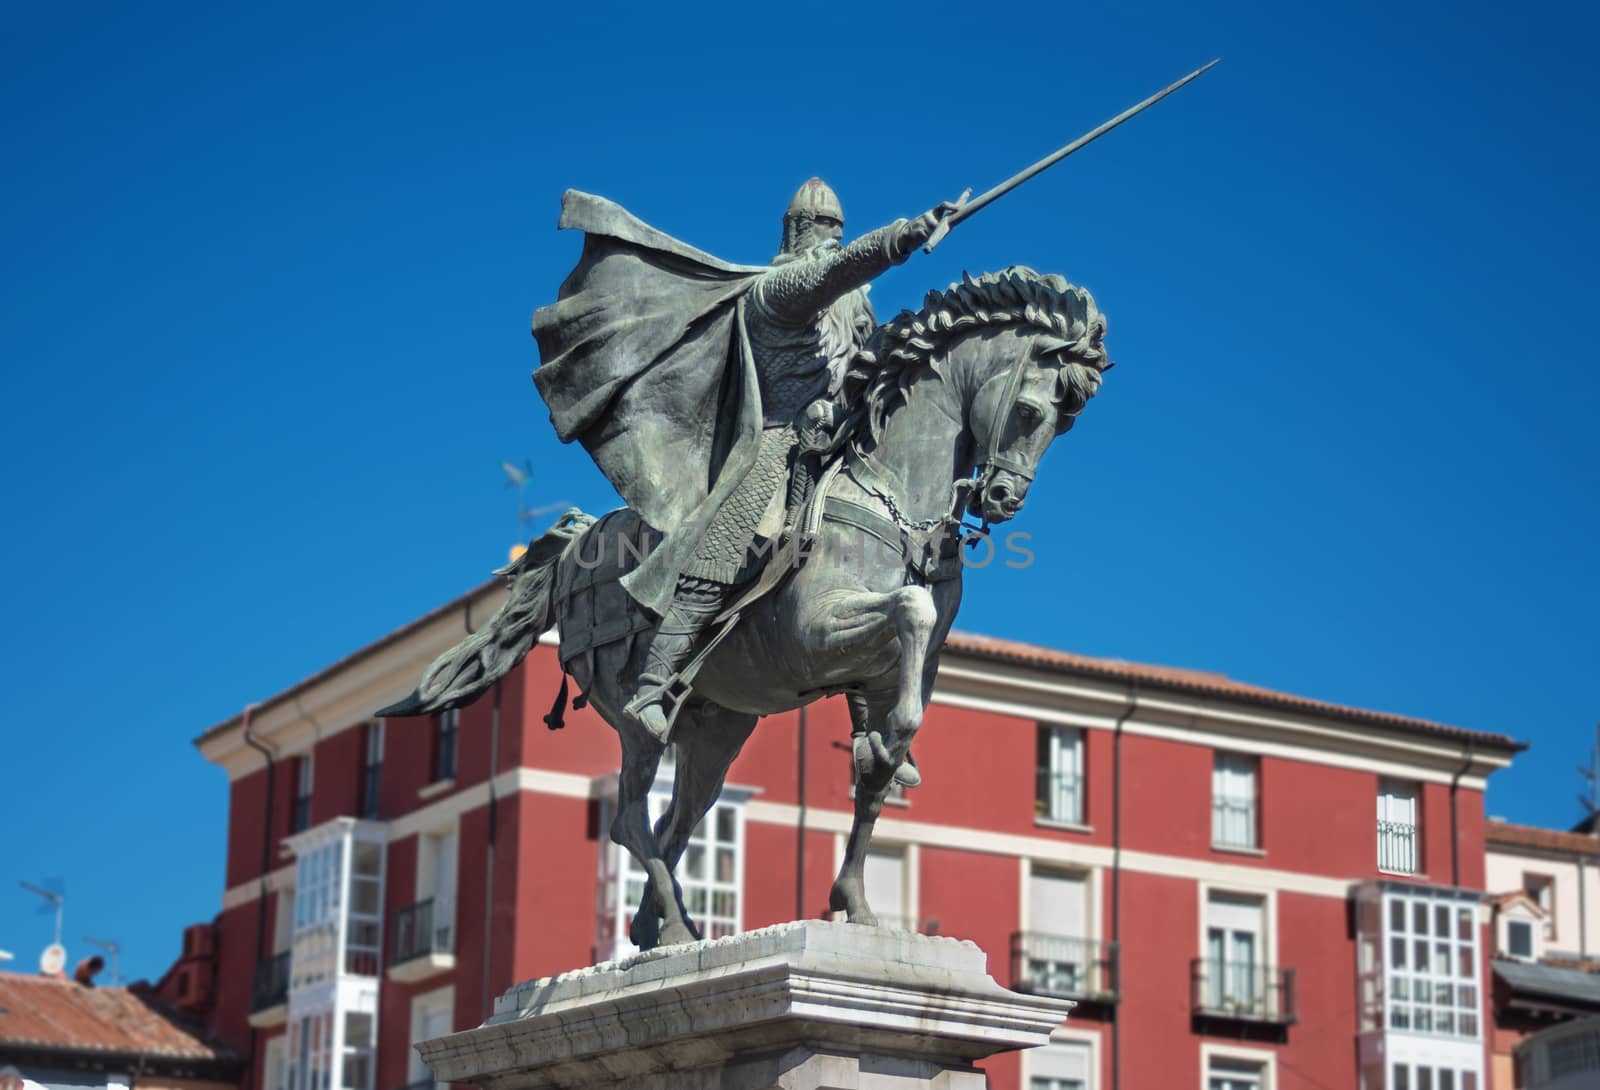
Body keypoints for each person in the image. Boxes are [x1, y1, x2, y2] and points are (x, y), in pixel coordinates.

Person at [622, 179, 951, 746]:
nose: (833, 240)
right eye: (826, 230)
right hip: (775, 443)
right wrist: (905, 234)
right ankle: (654, 682)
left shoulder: (853, 303)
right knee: (730, 540)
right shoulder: (780, 287)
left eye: (839, 234)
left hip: (840, 441)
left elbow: (868, 356)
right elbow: (835, 272)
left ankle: (873, 721)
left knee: (886, 550)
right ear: (800, 231)